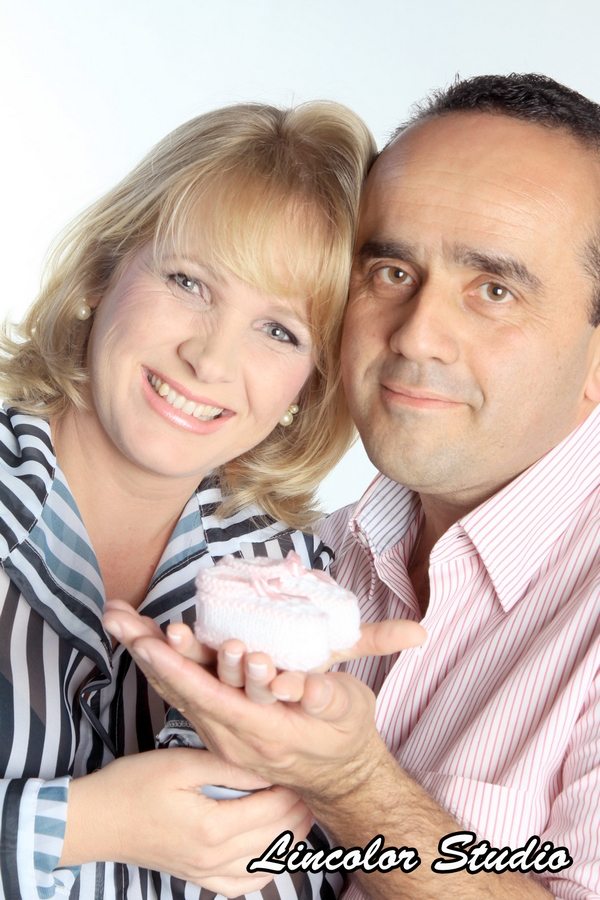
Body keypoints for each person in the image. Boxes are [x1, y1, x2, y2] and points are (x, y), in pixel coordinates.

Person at [109, 74, 600, 900]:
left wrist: (353, 787)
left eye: (494, 290)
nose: (418, 336)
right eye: (392, 272)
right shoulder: (293, 560)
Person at [0, 100, 427, 900]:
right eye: (189, 282)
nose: (210, 359)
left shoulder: (295, 582)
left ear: (308, 387)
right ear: (101, 273)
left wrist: (253, 744)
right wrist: (82, 825)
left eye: (279, 331)